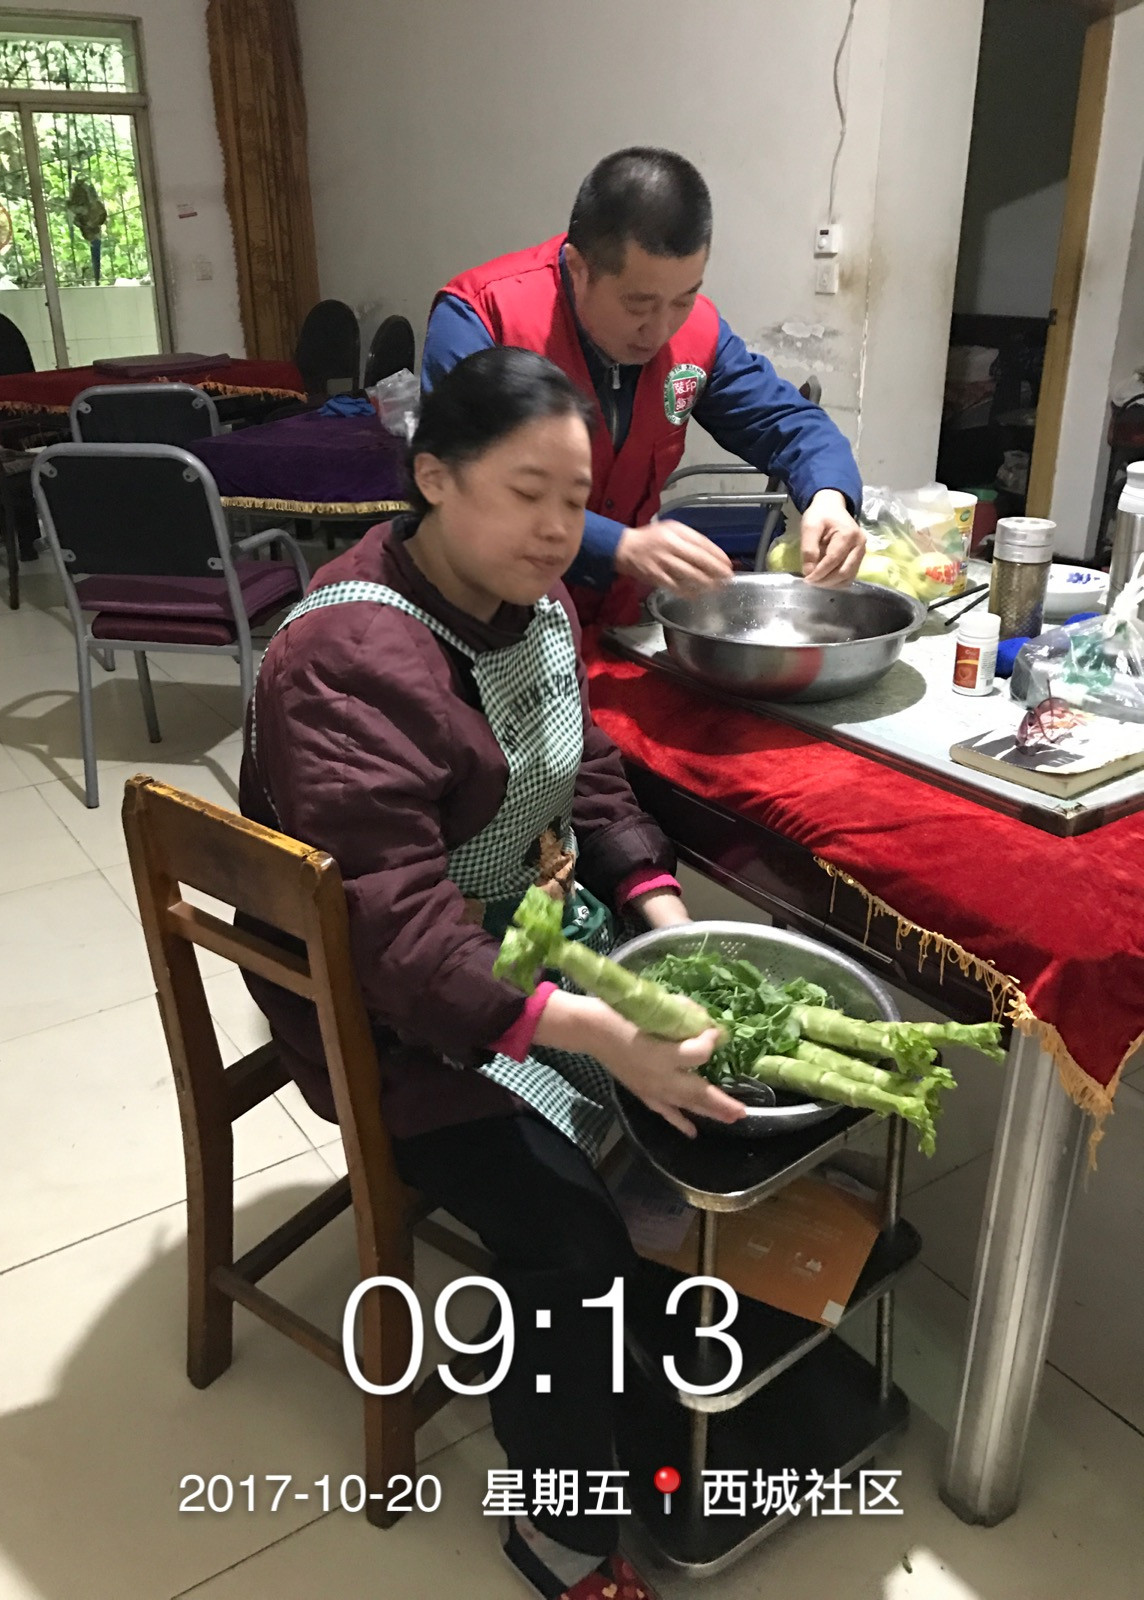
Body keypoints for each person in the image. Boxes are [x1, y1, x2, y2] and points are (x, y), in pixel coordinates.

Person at [239, 347, 746, 1600]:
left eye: (576, 499)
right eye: (528, 493)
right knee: (568, 1234)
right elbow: (402, 945)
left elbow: (586, 772)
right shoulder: (351, 658)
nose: (560, 529)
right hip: (390, 1017)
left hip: (525, 933)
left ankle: (636, 1363)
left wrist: (659, 911)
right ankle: (561, 1533)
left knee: (714, 1096)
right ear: (433, 477)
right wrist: (599, 1029)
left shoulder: (538, 599)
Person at [423, 146, 866, 625]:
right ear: (578, 269)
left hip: (616, 622)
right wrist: (618, 545)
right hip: (488, 624)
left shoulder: (698, 335)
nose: (660, 330)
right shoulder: (484, 317)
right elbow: (468, 484)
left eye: (683, 299)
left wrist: (830, 497)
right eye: (638, 304)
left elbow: (790, 423)